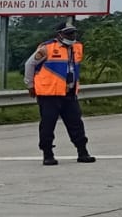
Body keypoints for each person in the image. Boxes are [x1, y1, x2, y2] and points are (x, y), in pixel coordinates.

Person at [23, 22, 95, 166]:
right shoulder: (47, 48)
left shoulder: (77, 48)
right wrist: (30, 85)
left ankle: (83, 152)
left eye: (73, 33)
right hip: (49, 94)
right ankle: (48, 154)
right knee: (48, 125)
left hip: (69, 92)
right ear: (59, 34)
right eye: (68, 33)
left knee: (76, 123)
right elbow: (29, 64)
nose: (72, 36)